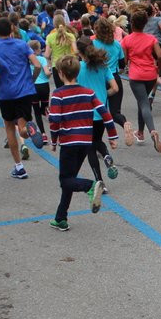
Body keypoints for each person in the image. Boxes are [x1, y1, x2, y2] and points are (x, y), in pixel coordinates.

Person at [46, 54, 116, 231]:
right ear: (77, 72)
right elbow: (105, 113)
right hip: (85, 142)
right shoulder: (88, 92)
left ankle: (91, 185)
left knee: (65, 181)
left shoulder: (58, 94)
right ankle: (61, 218)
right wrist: (113, 136)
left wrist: (53, 141)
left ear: (60, 73)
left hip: (68, 142)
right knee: (70, 178)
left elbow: (54, 120)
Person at [0, 17, 46, 180]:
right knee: (22, 126)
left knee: (10, 128)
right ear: (11, 29)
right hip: (25, 90)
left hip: (6, 93)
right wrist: (31, 79)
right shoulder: (22, 44)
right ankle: (28, 130)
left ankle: (19, 167)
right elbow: (37, 65)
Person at [122, 8, 161, 152]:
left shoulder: (127, 39)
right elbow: (160, 55)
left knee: (143, 103)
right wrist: (156, 64)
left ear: (132, 24)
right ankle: (140, 133)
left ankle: (152, 131)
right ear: (145, 24)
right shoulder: (151, 39)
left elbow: (125, 60)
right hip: (150, 75)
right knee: (144, 102)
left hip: (136, 75)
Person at [76, 42, 120, 182]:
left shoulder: (77, 68)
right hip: (101, 112)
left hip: (84, 113)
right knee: (98, 140)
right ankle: (106, 155)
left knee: (90, 147)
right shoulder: (103, 66)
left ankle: (100, 181)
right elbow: (115, 88)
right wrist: (102, 94)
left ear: (79, 52)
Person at [91, 16, 134, 146]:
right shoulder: (116, 44)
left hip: (98, 79)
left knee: (99, 112)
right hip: (114, 78)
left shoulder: (93, 44)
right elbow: (122, 64)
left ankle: (98, 141)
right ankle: (124, 123)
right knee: (115, 112)